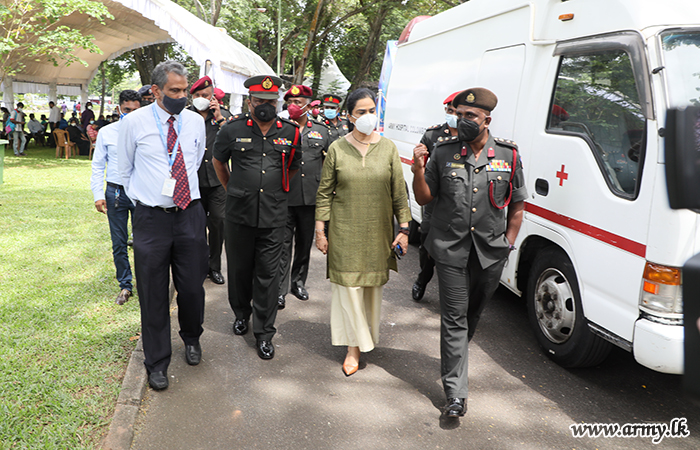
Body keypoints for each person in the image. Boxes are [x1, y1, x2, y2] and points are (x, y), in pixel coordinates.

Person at [412, 88, 527, 418]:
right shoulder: (444, 152)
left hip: (491, 253)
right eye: (459, 114)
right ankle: (455, 394)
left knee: (471, 315)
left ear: (486, 119)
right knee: (454, 318)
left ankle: (456, 353)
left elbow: (517, 206)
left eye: (470, 116)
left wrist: (509, 243)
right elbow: (423, 198)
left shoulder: (509, 154)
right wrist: (418, 169)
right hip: (449, 250)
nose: (463, 121)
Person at [118, 60, 208, 391]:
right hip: (151, 219)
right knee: (153, 292)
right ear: (155, 91)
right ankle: (157, 361)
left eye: (185, 90)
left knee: (192, 287)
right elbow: (125, 169)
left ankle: (192, 337)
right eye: (174, 90)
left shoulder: (196, 123)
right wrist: (148, 199)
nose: (182, 96)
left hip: (189, 214)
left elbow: (195, 161)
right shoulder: (134, 122)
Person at [315, 88, 411, 377]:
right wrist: (320, 231)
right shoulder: (336, 149)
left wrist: (404, 229)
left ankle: (364, 335)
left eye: (372, 111)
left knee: (370, 290)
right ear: (349, 116)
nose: (368, 117)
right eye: (362, 112)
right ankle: (353, 348)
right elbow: (324, 194)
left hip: (377, 231)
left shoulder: (389, 148)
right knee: (348, 290)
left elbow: (399, 193)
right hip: (344, 230)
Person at [212, 75, 301, 360]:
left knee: (268, 276)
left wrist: (274, 190)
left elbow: (293, 167)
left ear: (278, 102)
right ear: (250, 101)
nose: (265, 105)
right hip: (239, 214)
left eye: (271, 101)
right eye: (260, 101)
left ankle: (264, 333)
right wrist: (234, 189)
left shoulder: (290, 132)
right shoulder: (231, 129)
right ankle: (241, 314)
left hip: (274, 216)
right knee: (238, 270)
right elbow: (218, 161)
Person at [277, 85, 330, 309]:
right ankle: (279, 288)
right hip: (285, 196)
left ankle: (298, 282)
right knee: (282, 245)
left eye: (298, 102)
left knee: (304, 244)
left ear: (309, 104)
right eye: (290, 101)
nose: (294, 106)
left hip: (310, 198)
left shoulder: (322, 130)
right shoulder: (280, 128)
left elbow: (328, 163)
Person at [91, 90, 141, 306]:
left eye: (135, 110)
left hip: (141, 193)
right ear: (119, 108)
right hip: (115, 193)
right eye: (127, 109)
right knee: (119, 242)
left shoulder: (147, 132)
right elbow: (98, 165)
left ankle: (147, 284)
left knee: (144, 242)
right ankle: (125, 285)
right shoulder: (107, 132)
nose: (130, 114)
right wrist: (98, 195)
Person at [411, 91, 461, 302]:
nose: (452, 115)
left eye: (456, 112)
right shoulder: (433, 135)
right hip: (433, 199)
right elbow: (420, 164)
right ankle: (423, 278)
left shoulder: (471, 136)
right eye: (449, 111)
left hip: (458, 201)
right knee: (427, 244)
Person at [188, 75, 231, 285]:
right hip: (193, 181)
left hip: (217, 182)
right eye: (197, 95)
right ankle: (198, 265)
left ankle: (214, 267)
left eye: (205, 95)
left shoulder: (224, 116)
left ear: (212, 96)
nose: (201, 98)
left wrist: (220, 117)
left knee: (218, 224)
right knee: (196, 226)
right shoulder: (185, 116)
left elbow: (233, 139)